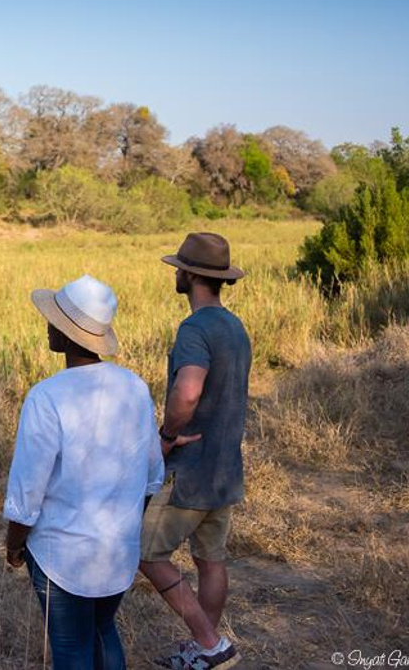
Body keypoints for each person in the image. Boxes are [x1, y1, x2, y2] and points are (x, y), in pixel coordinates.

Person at [4, 275, 164, 670]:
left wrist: (14, 543)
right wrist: (122, 526)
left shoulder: (47, 396)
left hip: (63, 556)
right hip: (118, 551)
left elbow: (28, 487)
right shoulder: (134, 387)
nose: (46, 324)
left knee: (72, 649)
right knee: (102, 631)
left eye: (52, 319)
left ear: (64, 333)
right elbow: (152, 475)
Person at [139, 232, 250, 670]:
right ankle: (206, 650)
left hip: (192, 469)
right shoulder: (234, 326)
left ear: (188, 274)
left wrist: (165, 435)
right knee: (210, 560)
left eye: (179, 268)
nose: (176, 273)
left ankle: (210, 642)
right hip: (225, 470)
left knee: (145, 553)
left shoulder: (195, 328)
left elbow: (187, 391)